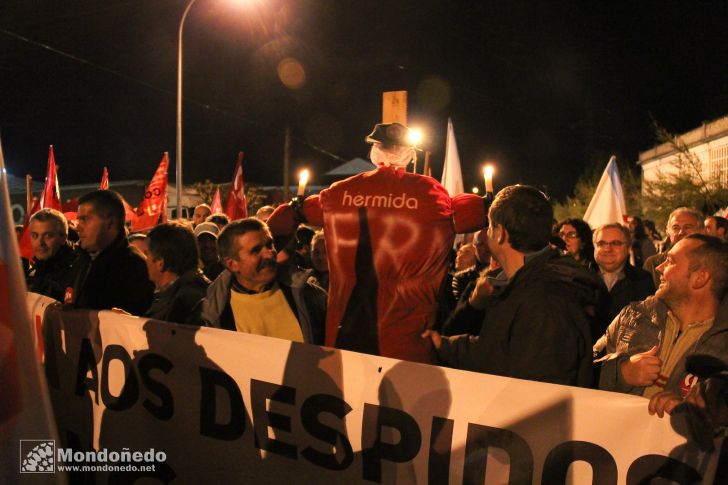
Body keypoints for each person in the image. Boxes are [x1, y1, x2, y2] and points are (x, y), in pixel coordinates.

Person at [267, 122, 488, 363]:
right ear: (410, 154)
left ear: (374, 151)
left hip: (346, 337)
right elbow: (483, 212)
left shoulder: (340, 193)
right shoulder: (434, 196)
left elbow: (283, 218)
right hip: (410, 343)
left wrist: (275, 262)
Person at [423, 185, 599, 387]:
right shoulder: (512, 283)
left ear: (500, 234)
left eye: (489, 226)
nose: (487, 234)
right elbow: (498, 351)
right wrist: (445, 344)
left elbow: (536, 388)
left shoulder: (544, 300)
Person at [598, 234, 728, 399]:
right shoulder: (633, 316)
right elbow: (585, 367)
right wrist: (621, 372)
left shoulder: (723, 342)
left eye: (670, 261)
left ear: (700, 278)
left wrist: (688, 414)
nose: (659, 268)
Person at [200, 218, 327, 344]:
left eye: (269, 244)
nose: (269, 254)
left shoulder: (309, 296)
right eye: (256, 250)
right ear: (232, 264)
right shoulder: (211, 315)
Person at [66, 190, 154, 315]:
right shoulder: (81, 260)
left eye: (85, 219)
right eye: (78, 220)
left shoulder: (135, 268)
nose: (78, 227)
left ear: (110, 223)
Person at [592, 223, 655, 338]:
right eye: (601, 243)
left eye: (615, 243)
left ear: (628, 247)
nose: (607, 249)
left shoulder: (642, 280)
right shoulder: (579, 279)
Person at [143, 222, 210, 325]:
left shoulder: (186, 302)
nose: (145, 260)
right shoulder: (191, 291)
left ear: (160, 263)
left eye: (147, 254)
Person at [643, 207, 704, 288]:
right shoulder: (653, 264)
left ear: (702, 230)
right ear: (667, 231)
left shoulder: (713, 260)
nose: (681, 232)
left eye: (688, 227)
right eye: (676, 228)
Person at [25, 208, 76, 301]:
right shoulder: (32, 272)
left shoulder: (78, 270)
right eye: (35, 235)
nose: (40, 242)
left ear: (63, 237)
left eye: (48, 235)